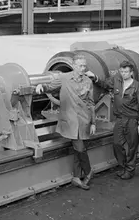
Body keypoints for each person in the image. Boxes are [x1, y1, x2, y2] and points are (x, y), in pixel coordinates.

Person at [35, 54, 97, 190]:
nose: (83, 68)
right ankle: (88, 171)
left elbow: (91, 103)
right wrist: (41, 86)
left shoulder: (88, 81)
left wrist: (93, 122)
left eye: (84, 66)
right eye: (80, 66)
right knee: (79, 147)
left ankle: (76, 177)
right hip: (70, 121)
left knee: (78, 147)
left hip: (84, 120)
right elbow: (50, 87)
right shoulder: (64, 78)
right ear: (74, 66)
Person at [87, 61, 139, 180]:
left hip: (132, 120)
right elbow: (104, 84)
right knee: (117, 144)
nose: (123, 74)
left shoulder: (137, 86)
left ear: (131, 72)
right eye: (122, 71)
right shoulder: (116, 80)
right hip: (120, 119)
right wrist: (94, 77)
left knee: (132, 146)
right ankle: (124, 166)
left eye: (126, 72)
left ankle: (129, 170)